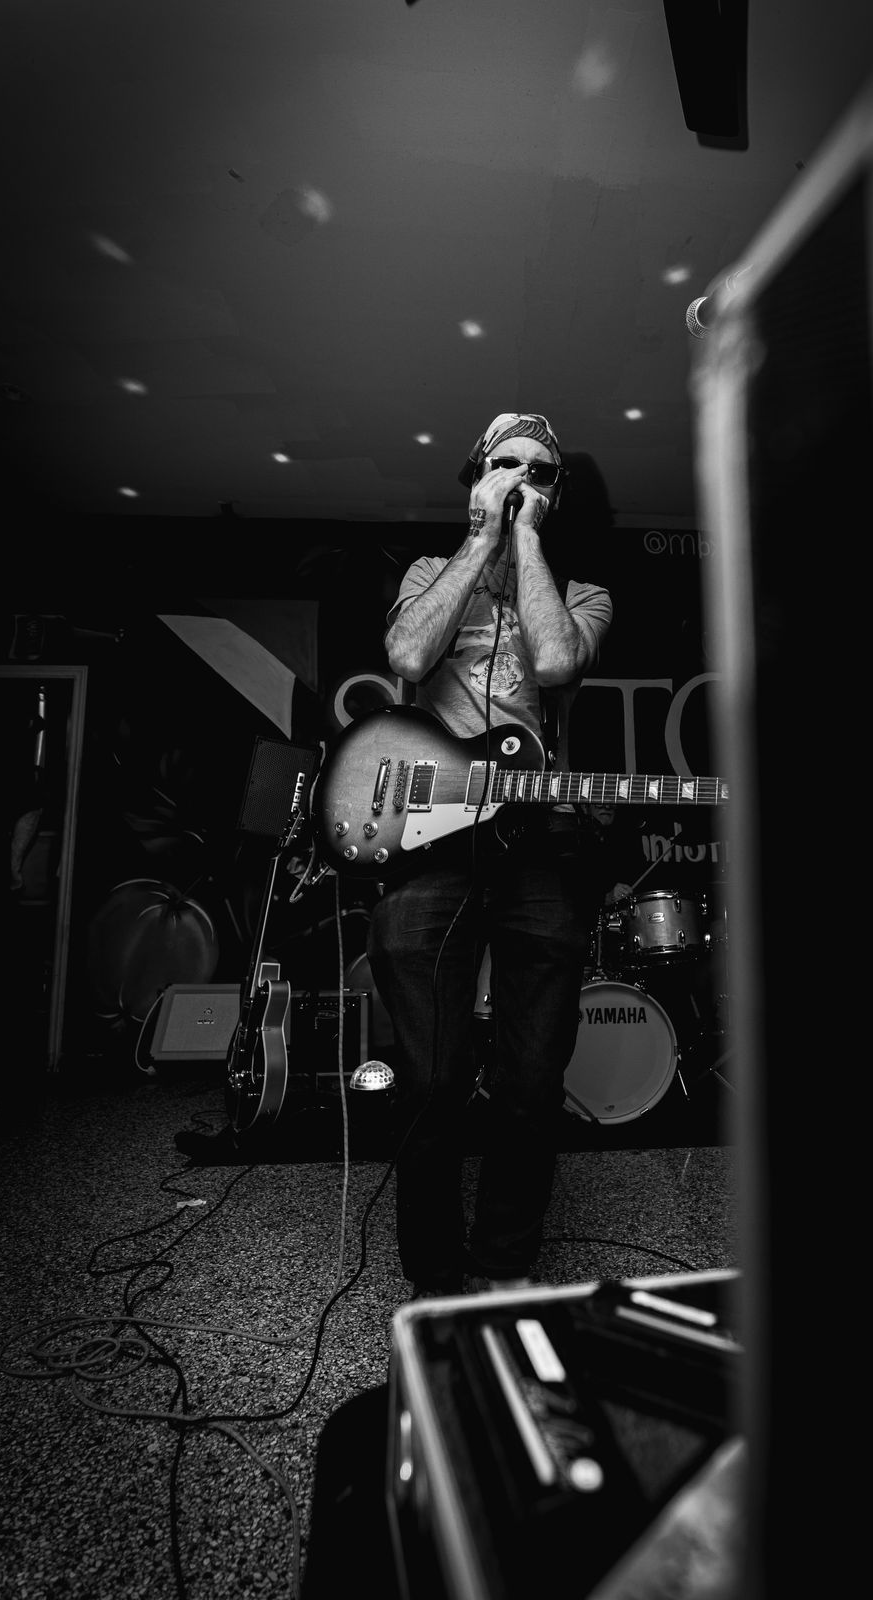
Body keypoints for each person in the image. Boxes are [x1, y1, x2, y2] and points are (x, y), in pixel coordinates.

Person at [366, 412, 613, 1298]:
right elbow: (406, 652)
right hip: (431, 839)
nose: (521, 480)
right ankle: (435, 1279)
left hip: (539, 839)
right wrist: (480, 536)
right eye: (505, 465)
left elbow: (554, 665)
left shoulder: (583, 592)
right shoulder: (428, 574)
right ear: (476, 474)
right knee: (429, 1077)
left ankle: (504, 1266)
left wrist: (525, 540)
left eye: (539, 472)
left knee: (531, 1076)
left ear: (555, 493)